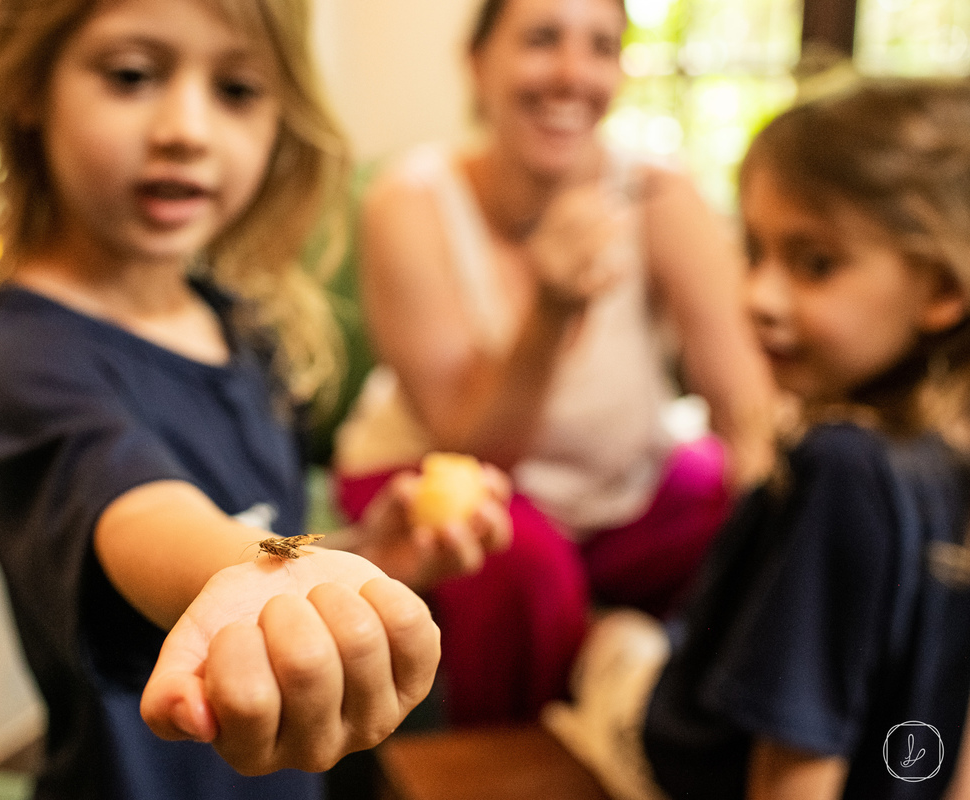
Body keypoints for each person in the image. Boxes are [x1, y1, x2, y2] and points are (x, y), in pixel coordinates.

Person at [0, 1, 511, 798]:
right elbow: (141, 510)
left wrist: (355, 552)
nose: (187, 129)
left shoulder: (239, 324)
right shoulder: (30, 360)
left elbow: (256, 526)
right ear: (30, 89)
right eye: (132, 75)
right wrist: (258, 574)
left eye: (239, 90)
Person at [332, 0, 776, 724]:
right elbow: (472, 447)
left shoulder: (660, 193)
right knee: (521, 563)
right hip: (447, 478)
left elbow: (744, 408)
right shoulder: (407, 202)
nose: (574, 74)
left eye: (601, 47)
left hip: (621, 489)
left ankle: (656, 710)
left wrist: (771, 524)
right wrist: (552, 309)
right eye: (542, 39)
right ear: (478, 64)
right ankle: (518, 755)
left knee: (742, 513)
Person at [544, 78, 970, 800]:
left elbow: (793, 763)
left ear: (940, 291)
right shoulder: (949, 456)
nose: (758, 297)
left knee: (614, 645)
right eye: (754, 251)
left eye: (815, 263)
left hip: (684, 768)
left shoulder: (841, 464)